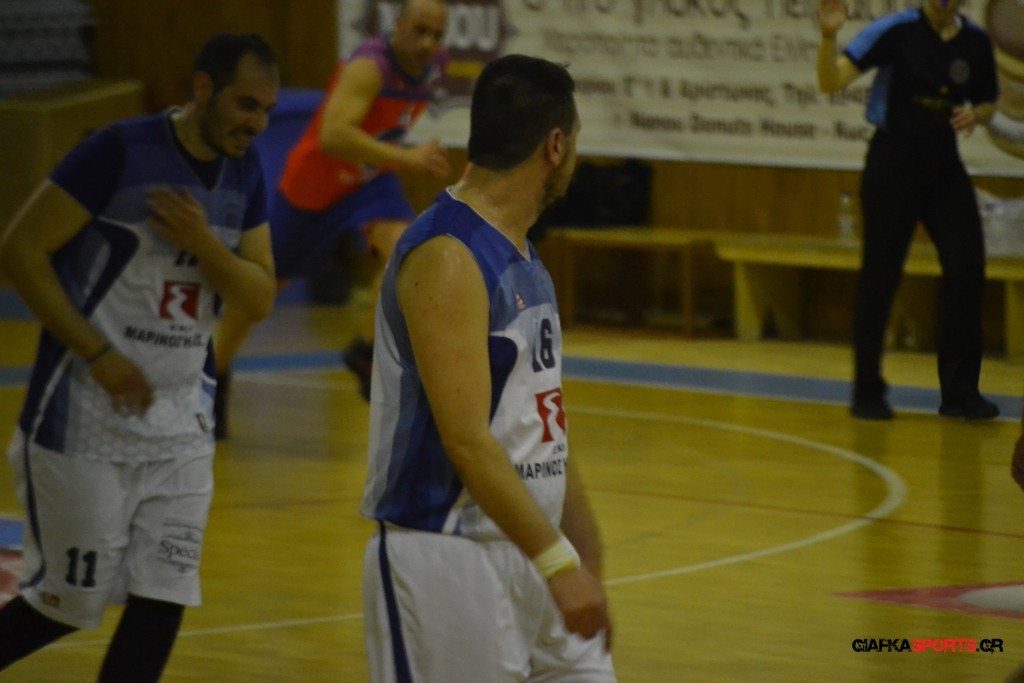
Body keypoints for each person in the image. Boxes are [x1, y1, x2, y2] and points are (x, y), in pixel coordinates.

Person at [0, 33, 278, 680]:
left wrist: (204, 245)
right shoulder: (118, 151)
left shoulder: (245, 171)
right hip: (82, 420)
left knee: (163, 597)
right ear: (203, 88)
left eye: (266, 110)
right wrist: (97, 352)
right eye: (245, 104)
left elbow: (259, 294)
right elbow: (20, 250)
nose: (257, 124)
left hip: (181, 425)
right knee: (64, 605)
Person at [359, 54, 616, 682]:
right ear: (555, 146)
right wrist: (558, 560)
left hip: (535, 548)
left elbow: (542, 425)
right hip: (450, 554)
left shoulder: (522, 253)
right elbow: (467, 441)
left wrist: (583, 551)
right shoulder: (449, 253)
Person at [212, 0, 450, 434]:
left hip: (369, 182)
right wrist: (406, 157)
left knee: (410, 254)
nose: (428, 43)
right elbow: (333, 135)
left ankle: (364, 350)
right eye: (419, 31)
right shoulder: (370, 68)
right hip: (314, 188)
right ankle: (214, 374)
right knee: (255, 297)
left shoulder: (433, 67)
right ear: (397, 26)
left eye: (437, 35)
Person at [817, 0, 1001, 420]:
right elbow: (830, 81)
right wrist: (828, 37)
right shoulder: (896, 31)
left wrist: (976, 115)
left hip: (944, 167)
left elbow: (988, 102)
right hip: (893, 164)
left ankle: (960, 394)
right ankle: (867, 391)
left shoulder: (975, 42)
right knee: (880, 276)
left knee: (967, 267)